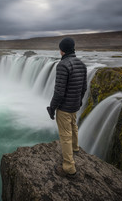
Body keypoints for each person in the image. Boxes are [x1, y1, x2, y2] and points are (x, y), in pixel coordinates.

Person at [47, 37, 87, 178]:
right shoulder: (81, 64)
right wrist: (78, 101)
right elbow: (84, 88)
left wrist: (52, 108)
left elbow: (59, 92)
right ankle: (75, 148)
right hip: (75, 105)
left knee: (65, 135)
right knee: (73, 126)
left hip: (64, 107)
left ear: (62, 50)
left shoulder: (63, 65)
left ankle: (69, 167)